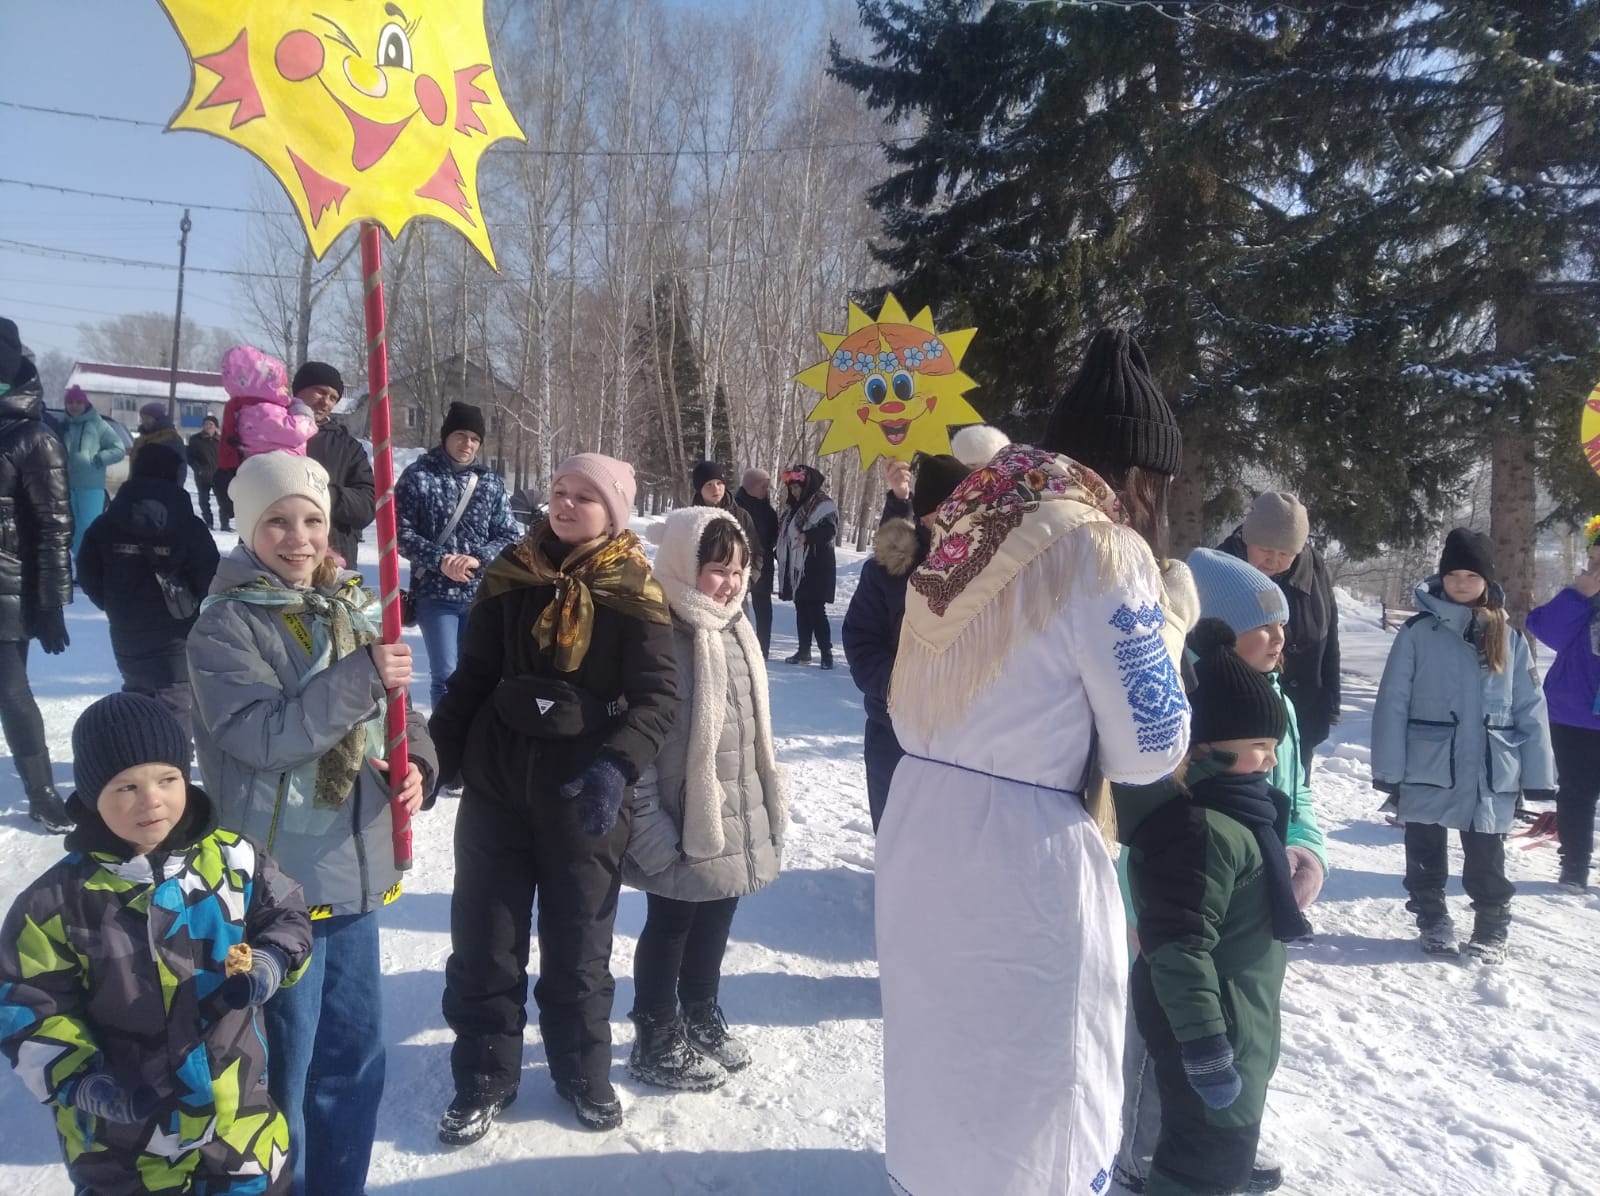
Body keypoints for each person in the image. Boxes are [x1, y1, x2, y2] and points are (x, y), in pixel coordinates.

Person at [876, 328, 1195, 1196]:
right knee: (1038, 1097)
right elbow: (1148, 749)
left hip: (921, 828)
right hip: (1029, 852)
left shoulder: (966, 528)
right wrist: (1167, 627)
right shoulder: (1102, 547)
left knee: (939, 1066)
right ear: (1139, 475)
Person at [188, 451, 438, 1196]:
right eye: (277, 522)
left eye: (312, 521)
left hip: (355, 871)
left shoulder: (354, 607)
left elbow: (400, 714)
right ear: (246, 529)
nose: (298, 538)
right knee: (284, 1071)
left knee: (354, 1059)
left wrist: (416, 759)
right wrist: (365, 674)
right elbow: (266, 737)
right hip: (279, 886)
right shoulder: (224, 628)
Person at [429, 453, 677, 1144]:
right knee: (485, 939)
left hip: (585, 793)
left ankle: (580, 1069)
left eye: (585, 498)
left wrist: (615, 767)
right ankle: (483, 1074)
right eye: (559, 493)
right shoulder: (510, 577)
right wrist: (433, 758)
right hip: (496, 789)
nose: (565, 506)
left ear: (614, 513)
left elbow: (659, 699)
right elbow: (471, 679)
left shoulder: (635, 590)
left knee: (579, 943)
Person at [0, 692, 314, 1196]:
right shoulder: (53, 904)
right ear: (90, 796)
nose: (151, 800)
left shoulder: (235, 861)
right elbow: (29, 1005)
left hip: (240, 1123)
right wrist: (81, 1080)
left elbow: (288, 915)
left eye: (168, 779)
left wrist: (271, 959)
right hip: (121, 1142)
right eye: (126, 786)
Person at [1116, 549, 1330, 1195]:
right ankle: (1141, 1157)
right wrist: (1138, 922)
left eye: (1283, 624)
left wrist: (1305, 847)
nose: (1280, 637)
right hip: (1178, 910)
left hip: (1246, 888)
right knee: (1168, 1048)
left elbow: (1293, 794)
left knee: (1242, 1029)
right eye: (1262, 625)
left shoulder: (1272, 708)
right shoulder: (1183, 712)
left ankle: (1224, 1139)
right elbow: (1155, 837)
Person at [623, 507, 787, 1092]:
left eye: (740, 569)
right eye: (717, 568)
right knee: (671, 924)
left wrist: (765, 804)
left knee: (719, 912)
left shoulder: (735, 627)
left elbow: (750, 730)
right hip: (677, 818)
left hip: (730, 815)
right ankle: (655, 1031)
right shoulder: (657, 633)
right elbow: (636, 746)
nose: (732, 581)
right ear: (683, 565)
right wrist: (651, 832)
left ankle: (698, 1009)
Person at [1371, 528, 1555, 963]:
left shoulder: (1508, 638)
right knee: (1424, 852)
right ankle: (1432, 917)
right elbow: (1393, 702)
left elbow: (1530, 707)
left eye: (1471, 575)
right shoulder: (1417, 633)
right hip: (1427, 764)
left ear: (1487, 582)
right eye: (1453, 574)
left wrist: (1539, 777)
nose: (1460, 583)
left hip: (1489, 771)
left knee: (1486, 858)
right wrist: (1389, 771)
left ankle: (1492, 926)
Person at [842, 428, 1005, 831]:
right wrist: (906, 685)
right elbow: (861, 642)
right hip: (895, 727)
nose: (958, 515)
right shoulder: (887, 570)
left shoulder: (993, 566)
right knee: (898, 830)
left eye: (966, 505)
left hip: (969, 734)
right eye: (947, 506)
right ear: (927, 512)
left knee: (956, 838)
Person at [78, 442, 219, 745]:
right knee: (176, 702)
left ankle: (141, 753)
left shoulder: (105, 525)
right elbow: (211, 579)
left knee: (138, 695)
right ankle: (172, 767)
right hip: (178, 634)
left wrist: (114, 604)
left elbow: (87, 572)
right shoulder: (189, 527)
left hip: (126, 631)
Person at [0, 316, 75, 833]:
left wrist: (50, 602)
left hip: (5, 589)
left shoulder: (34, 437)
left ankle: (43, 791)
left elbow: (53, 529)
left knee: (9, 689)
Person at [395, 401, 522, 706]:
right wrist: (441, 561)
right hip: (436, 594)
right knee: (446, 675)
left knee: (477, 673)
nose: (468, 444)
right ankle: (444, 742)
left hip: (481, 596)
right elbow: (400, 534)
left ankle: (471, 740)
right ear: (446, 435)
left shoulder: (490, 482)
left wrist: (479, 558)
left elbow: (508, 535)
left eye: (475, 439)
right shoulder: (418, 476)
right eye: (461, 435)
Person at [1218, 491, 1340, 775]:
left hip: (1301, 710)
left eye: (1284, 554)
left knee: (1294, 790)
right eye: (1265, 550)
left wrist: (1330, 701)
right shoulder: (1222, 568)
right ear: (1248, 540)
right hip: (1241, 719)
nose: (1273, 560)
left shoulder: (1315, 569)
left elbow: (1328, 638)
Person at [1526, 515, 1600, 893]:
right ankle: (1574, 867)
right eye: (1596, 559)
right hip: (1576, 715)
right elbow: (1544, 630)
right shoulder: (1584, 600)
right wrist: (1578, 593)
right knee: (1576, 792)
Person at [296, 361, 376, 567]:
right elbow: (232, 494)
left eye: (333, 398)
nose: (326, 402)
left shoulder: (348, 447)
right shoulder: (267, 433)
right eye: (320, 392)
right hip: (270, 560)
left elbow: (366, 506)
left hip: (331, 564)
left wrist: (320, 493)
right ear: (299, 390)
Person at [776, 464, 838, 668]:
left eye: (797, 487)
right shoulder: (794, 509)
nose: (794, 492)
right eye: (791, 488)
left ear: (808, 485)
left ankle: (826, 653)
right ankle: (804, 651)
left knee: (816, 609)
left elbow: (829, 531)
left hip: (817, 564)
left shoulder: (823, 504)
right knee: (801, 607)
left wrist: (807, 537)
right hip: (798, 567)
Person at [61, 384, 126, 553]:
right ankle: (74, 567)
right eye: (70, 402)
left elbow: (118, 449)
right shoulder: (63, 424)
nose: (74, 406)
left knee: (90, 527)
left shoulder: (98, 424)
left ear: (85, 404)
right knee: (70, 527)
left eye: (78, 402)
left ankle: (89, 564)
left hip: (90, 487)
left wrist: (98, 459)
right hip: (65, 486)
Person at [690, 460, 761, 592]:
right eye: (709, 484)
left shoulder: (741, 516)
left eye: (719, 483)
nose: (716, 489)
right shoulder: (691, 518)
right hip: (700, 592)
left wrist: (747, 582)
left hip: (734, 591)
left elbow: (756, 552)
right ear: (700, 489)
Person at [734, 467, 779, 657]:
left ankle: (762, 649)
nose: (766, 491)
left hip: (763, 563)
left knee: (763, 607)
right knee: (737, 604)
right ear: (751, 486)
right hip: (739, 562)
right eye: (763, 486)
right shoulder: (737, 507)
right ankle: (739, 645)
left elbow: (773, 537)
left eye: (768, 487)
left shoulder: (769, 511)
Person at [131, 402, 187, 483]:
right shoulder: (140, 439)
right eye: (142, 418)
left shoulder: (171, 438)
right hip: (139, 487)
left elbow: (180, 467)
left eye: (148, 418)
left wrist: (175, 490)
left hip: (163, 488)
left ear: (158, 418)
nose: (144, 421)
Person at [186, 414, 222, 529]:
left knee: (222, 500)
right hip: (202, 475)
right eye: (206, 424)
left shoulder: (221, 441)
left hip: (219, 475)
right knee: (203, 501)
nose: (208, 426)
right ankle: (209, 522)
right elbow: (189, 456)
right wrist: (198, 468)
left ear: (216, 427)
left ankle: (225, 524)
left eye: (211, 424)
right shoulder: (196, 440)